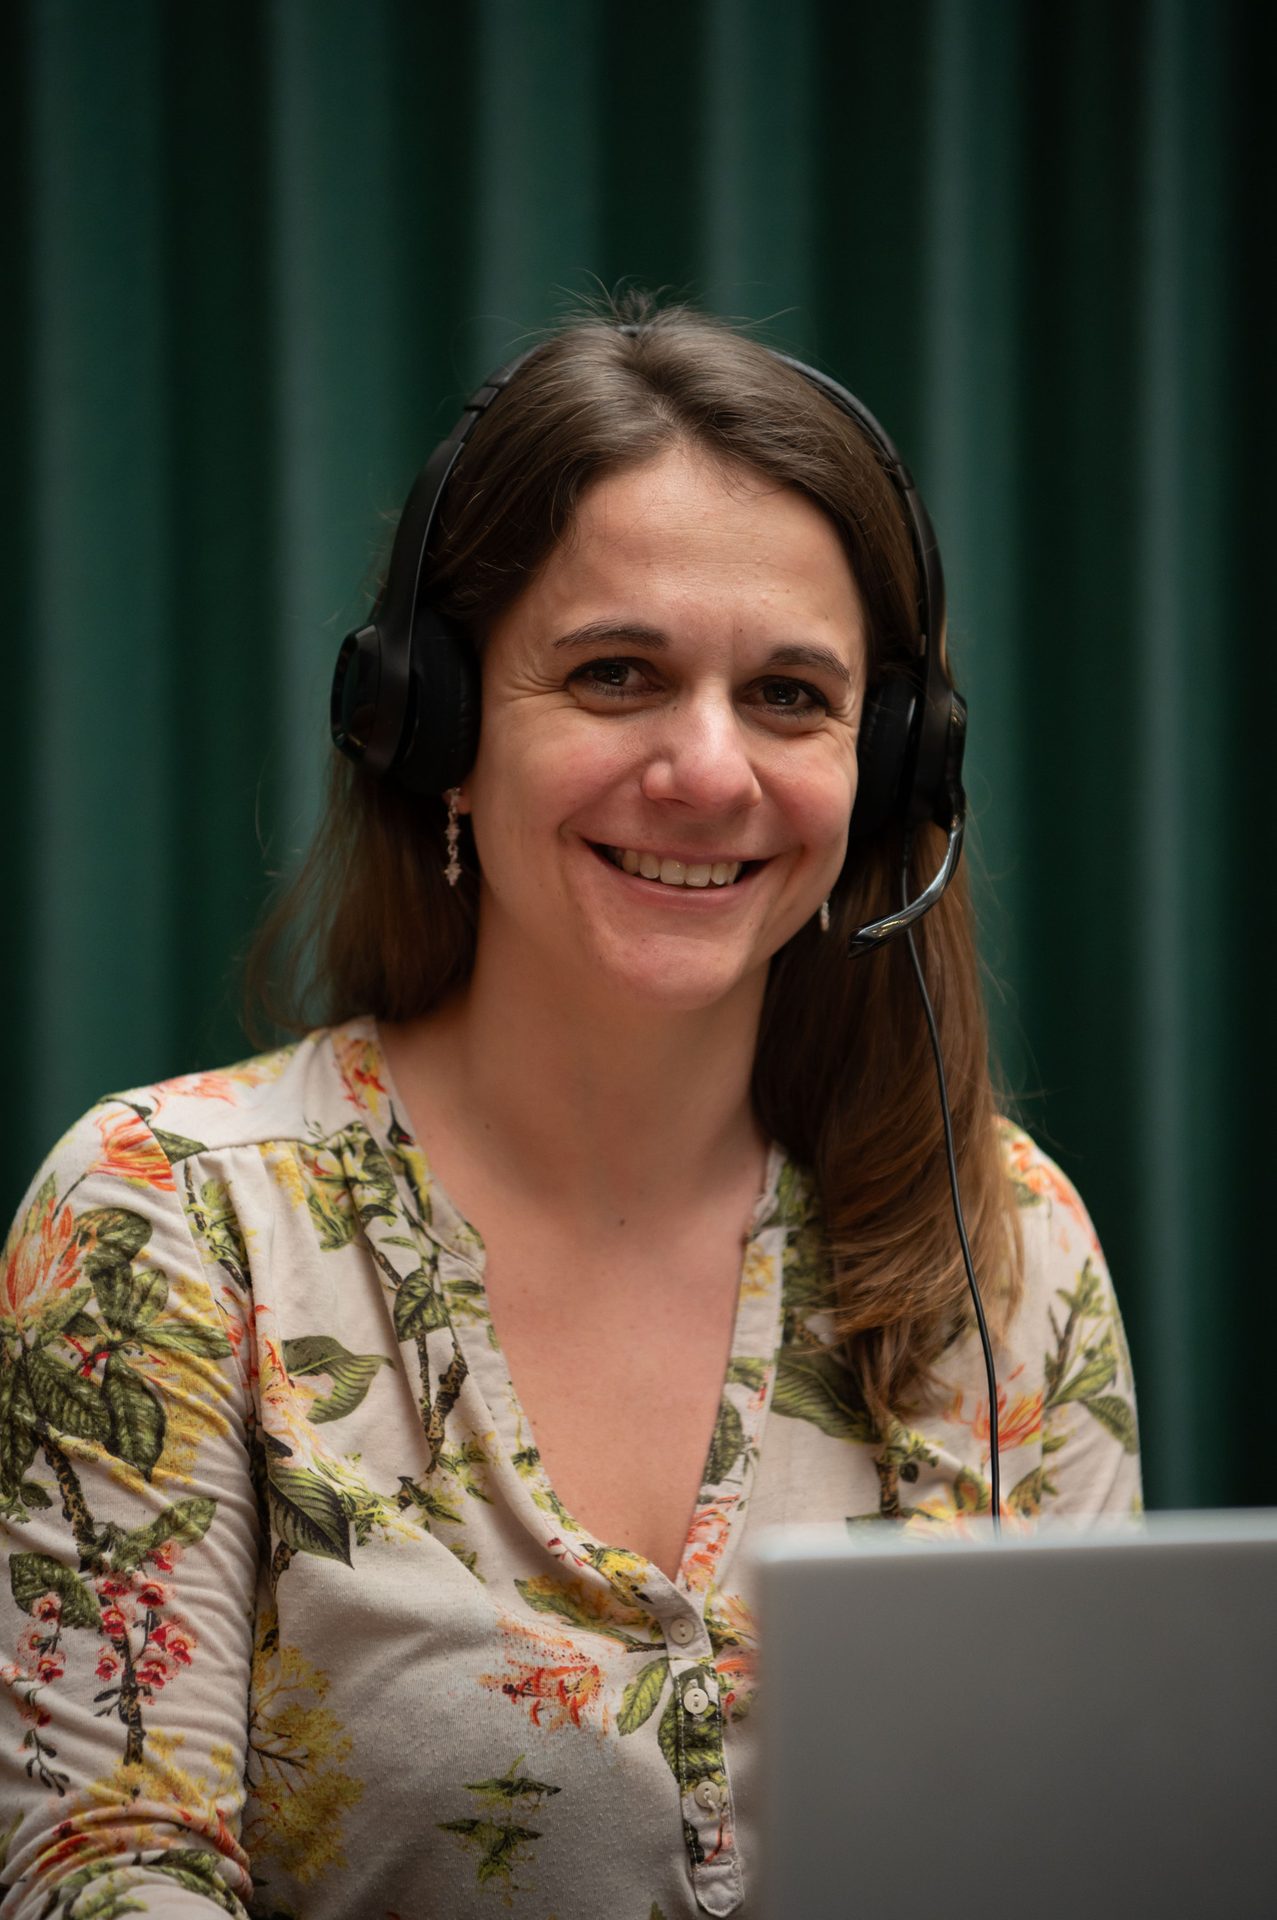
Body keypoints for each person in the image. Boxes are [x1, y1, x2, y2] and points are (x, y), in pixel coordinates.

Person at [0, 298, 1140, 1920]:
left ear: (891, 770)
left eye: (791, 699)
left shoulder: (1007, 1243)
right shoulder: (163, 1217)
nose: (706, 768)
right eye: (616, 675)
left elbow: (1099, 1856)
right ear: (437, 731)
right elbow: (106, 1874)